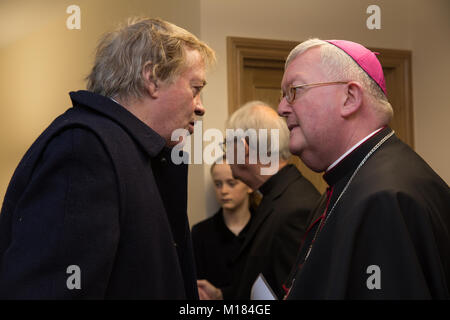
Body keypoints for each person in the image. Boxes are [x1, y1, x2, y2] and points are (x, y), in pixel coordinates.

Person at [0, 17, 215, 299]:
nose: (201, 107)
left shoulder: (127, 150)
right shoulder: (84, 148)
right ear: (152, 78)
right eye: (196, 89)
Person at [278, 38, 450, 299]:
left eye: (294, 90)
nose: (281, 108)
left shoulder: (385, 198)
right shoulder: (353, 179)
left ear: (350, 98)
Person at [197, 101, 320, 300]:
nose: (226, 154)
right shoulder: (276, 197)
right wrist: (221, 295)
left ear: (243, 147)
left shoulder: (294, 208)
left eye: (227, 145)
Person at [192, 158, 253, 294]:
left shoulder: (263, 228)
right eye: (218, 184)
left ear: (249, 186)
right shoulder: (201, 233)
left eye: (231, 183)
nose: (223, 191)